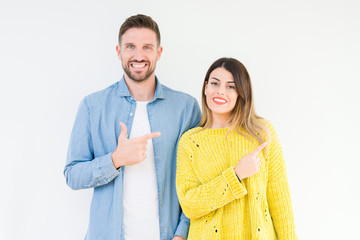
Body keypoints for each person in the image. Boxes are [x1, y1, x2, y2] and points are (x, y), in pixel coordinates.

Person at [64, 14, 201, 240]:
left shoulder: (186, 108)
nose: (139, 56)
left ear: (159, 52)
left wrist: (182, 233)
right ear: (119, 51)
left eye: (147, 47)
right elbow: (72, 175)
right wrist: (115, 160)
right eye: (130, 47)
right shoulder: (92, 106)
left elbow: (197, 180)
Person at [176, 57, 297, 239]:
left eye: (230, 86)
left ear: (241, 92)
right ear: (206, 87)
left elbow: (280, 201)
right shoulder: (190, 142)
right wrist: (236, 176)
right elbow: (189, 205)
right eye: (215, 84)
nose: (220, 91)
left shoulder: (261, 133)